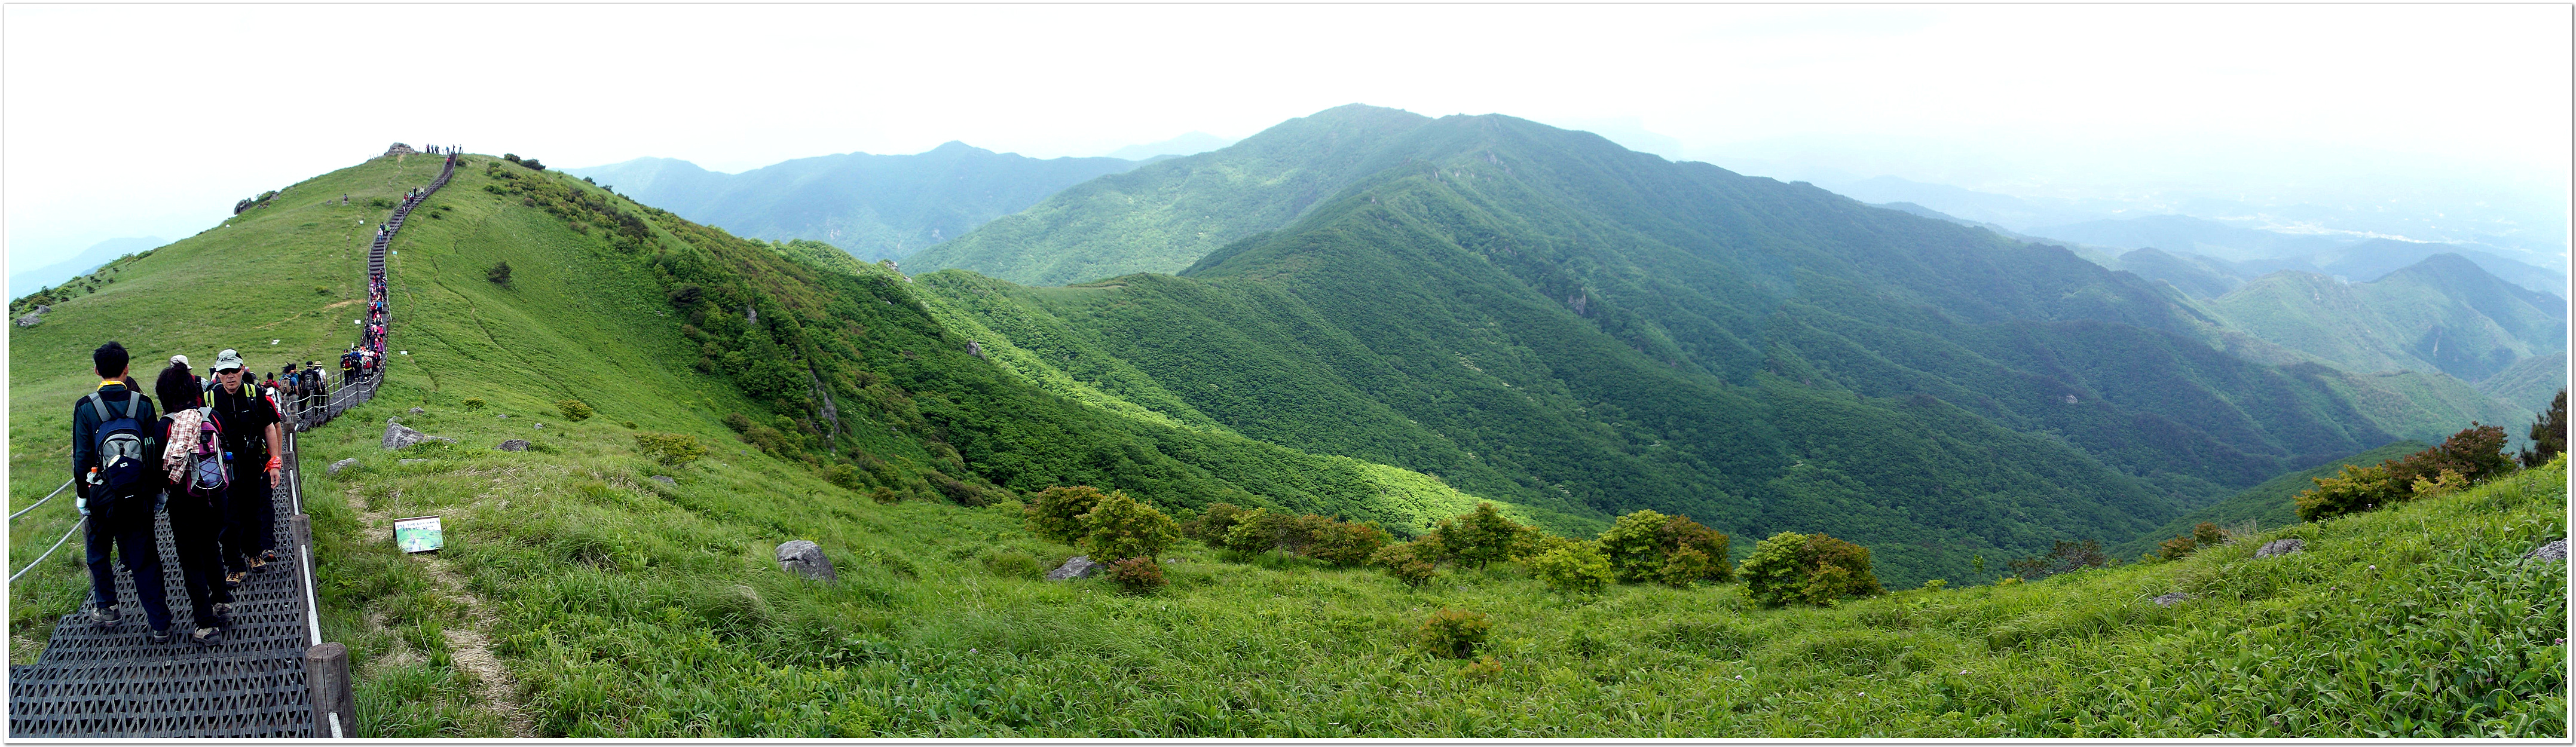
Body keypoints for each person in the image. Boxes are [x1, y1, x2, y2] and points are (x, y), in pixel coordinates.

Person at [70, 342, 173, 642]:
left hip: (101, 496)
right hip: (139, 494)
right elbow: (155, 451)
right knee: (145, 557)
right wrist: (156, 491)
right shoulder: (141, 404)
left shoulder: (86, 407)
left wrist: (83, 495)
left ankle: (108, 608)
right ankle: (160, 623)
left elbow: (82, 458)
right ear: (127, 369)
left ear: (97, 371)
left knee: (99, 550)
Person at [154, 362, 231, 645]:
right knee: (212, 547)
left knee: (191, 560)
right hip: (218, 497)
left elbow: (158, 470)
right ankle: (222, 601)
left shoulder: (165, 426)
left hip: (184, 503)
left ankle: (205, 623)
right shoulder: (213, 417)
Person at [204, 350, 283, 586]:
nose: (230, 377)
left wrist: (275, 462)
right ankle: (234, 565)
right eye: (224, 372)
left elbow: (270, 427)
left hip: (251, 464)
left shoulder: (254, 394)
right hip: (221, 468)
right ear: (218, 374)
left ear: (242, 370)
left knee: (252, 512)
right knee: (228, 517)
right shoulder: (209, 399)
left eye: (234, 371)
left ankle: (253, 554)